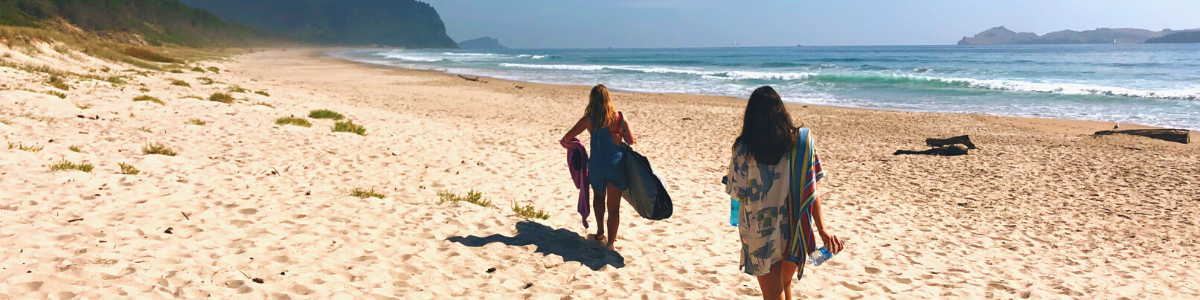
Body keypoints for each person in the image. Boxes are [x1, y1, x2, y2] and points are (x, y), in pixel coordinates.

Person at [726, 86, 844, 300]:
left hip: (760, 233)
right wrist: (822, 229)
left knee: (773, 294)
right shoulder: (801, 143)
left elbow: (737, 192)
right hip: (793, 229)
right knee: (784, 286)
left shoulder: (743, 148)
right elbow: (811, 189)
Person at [561, 84, 635, 250]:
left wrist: (577, 147)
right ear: (608, 98)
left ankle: (600, 231)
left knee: (599, 199)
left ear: (592, 100)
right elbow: (630, 140)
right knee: (614, 207)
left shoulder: (589, 119)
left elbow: (567, 137)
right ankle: (610, 244)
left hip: (596, 166)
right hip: (616, 165)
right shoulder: (619, 118)